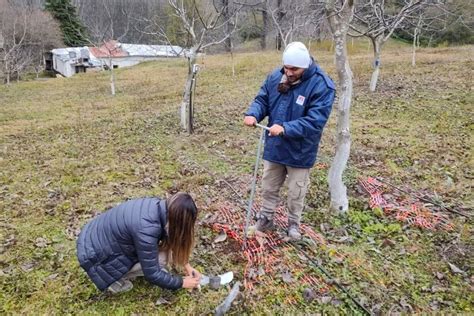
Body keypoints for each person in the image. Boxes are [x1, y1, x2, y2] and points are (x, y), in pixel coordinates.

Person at [243, 42, 335, 240]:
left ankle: (293, 224)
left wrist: (286, 128)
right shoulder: (276, 77)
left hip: (300, 151)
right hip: (275, 147)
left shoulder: (322, 85)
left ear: (306, 66)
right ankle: (266, 219)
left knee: (296, 192)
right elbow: (262, 100)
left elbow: (315, 121)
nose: (289, 72)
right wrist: (253, 114)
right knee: (268, 186)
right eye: (287, 67)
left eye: (295, 69)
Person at [76, 192, 202, 293]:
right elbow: (152, 274)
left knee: (161, 255)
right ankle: (115, 281)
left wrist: (187, 266)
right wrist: (182, 283)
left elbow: (169, 237)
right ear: (177, 221)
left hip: (92, 239)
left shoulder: (159, 207)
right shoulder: (147, 229)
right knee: (162, 260)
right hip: (96, 260)